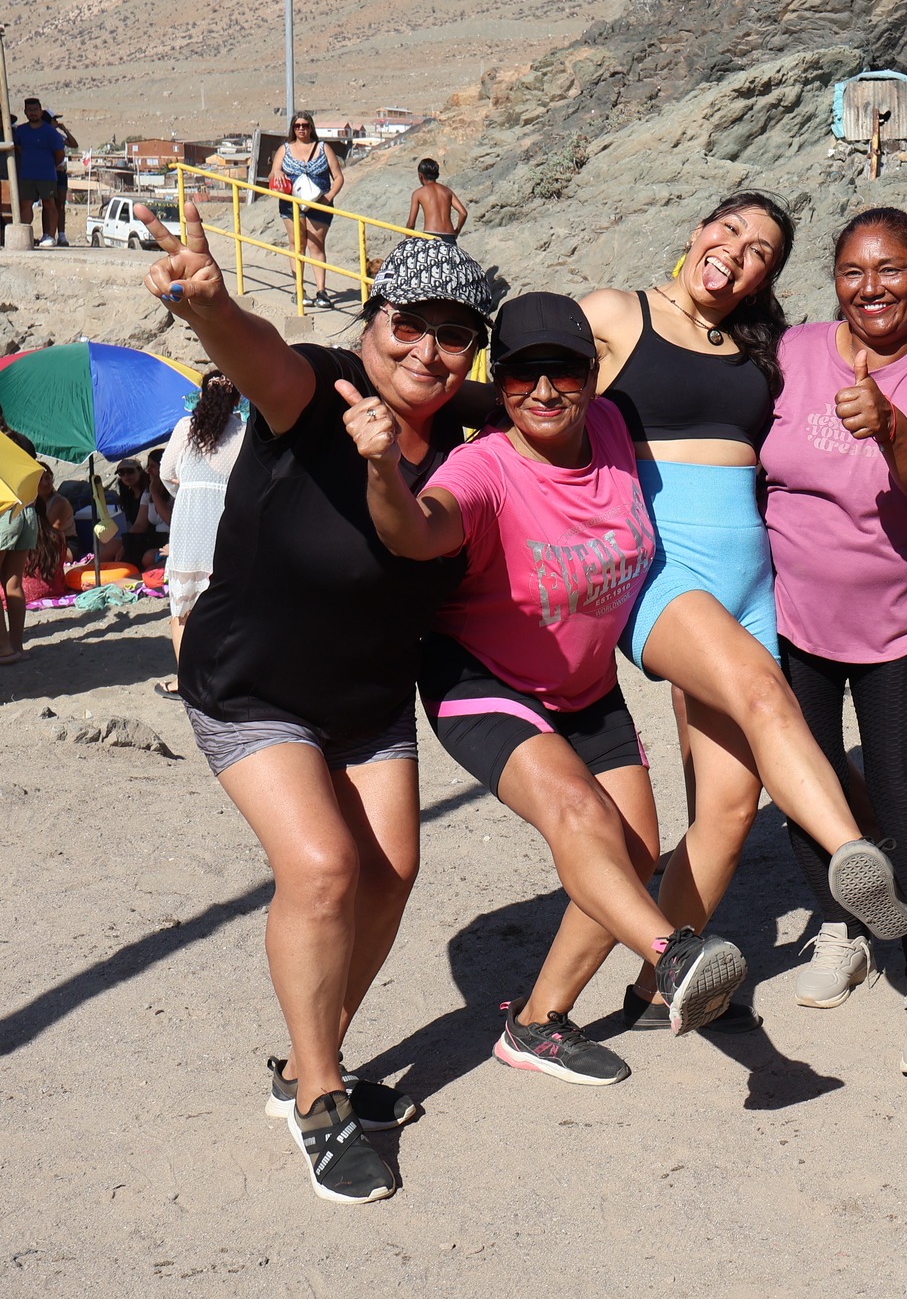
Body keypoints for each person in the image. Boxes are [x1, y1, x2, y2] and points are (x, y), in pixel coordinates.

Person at [141, 212, 708, 1206]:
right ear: (372, 320)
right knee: (323, 869)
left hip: (369, 696)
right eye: (408, 324)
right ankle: (321, 1101)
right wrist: (211, 305)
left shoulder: (460, 421)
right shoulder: (318, 390)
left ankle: (306, 1060)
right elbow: (258, 354)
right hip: (252, 684)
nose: (426, 351)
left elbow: (548, 391)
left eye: (453, 336)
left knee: (392, 873)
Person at [346, 291, 743, 1087]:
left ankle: (535, 1024)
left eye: (563, 371)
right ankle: (671, 954)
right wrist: (381, 468)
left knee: (631, 852)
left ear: (592, 376)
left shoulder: (612, 427)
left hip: (586, 683)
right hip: (483, 677)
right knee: (580, 817)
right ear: (499, 383)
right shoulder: (484, 467)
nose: (544, 391)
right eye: (522, 375)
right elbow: (414, 531)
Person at [582, 190, 907, 1033]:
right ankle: (854, 851)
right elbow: (526, 384)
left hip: (751, 582)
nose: (738, 250)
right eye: (730, 229)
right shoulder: (618, 314)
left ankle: (659, 984)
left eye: (761, 249)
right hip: (663, 571)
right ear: (699, 231)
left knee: (729, 812)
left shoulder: (760, 349)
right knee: (770, 697)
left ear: (766, 277)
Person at [760, 207, 907, 1075]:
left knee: (902, 784)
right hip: (792, 614)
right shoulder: (793, 352)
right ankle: (841, 925)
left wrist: (890, 424)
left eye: (890, 270)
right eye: (852, 270)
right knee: (801, 777)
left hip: (900, 620)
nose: (870, 287)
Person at [157, 370, 248, 696]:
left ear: (201, 397)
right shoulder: (244, 432)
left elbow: (166, 473)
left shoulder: (186, 427)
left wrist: (186, 490)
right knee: (226, 606)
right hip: (226, 524)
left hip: (189, 522)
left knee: (182, 609)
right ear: (237, 399)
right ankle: (224, 679)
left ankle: (185, 681)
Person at [269, 111, 346, 309]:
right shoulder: (285, 149)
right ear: (293, 129)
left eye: (305, 125)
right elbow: (272, 174)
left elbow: (338, 177)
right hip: (291, 203)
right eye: (297, 126)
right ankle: (299, 289)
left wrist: (329, 197)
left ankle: (321, 291)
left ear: (311, 127)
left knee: (316, 245)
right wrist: (277, 172)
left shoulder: (323, 148)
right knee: (297, 244)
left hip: (319, 203)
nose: (301, 129)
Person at [0, 427, 43, 662]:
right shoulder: (20, 441)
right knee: (13, 583)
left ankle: (3, 649)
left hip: (5, 513)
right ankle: (16, 646)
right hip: (27, 511)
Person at [14, 99, 75, 248]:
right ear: (25, 112)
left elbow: (59, 154)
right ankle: (25, 234)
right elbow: (18, 150)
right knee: (25, 204)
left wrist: (49, 165)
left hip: (47, 175)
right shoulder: (20, 131)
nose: (33, 113)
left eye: (35, 110)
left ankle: (50, 236)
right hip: (26, 174)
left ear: (41, 112)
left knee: (49, 204)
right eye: (29, 110)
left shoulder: (50, 131)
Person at [112, 456, 169, 566]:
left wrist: (125, 545)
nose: (126, 475)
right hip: (144, 537)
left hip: (152, 537)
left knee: (115, 548)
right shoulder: (129, 496)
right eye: (121, 473)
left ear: (140, 471)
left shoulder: (151, 491)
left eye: (130, 471)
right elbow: (138, 524)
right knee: (106, 545)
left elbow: (141, 525)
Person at [406, 159, 468, 243]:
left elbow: (411, 224)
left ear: (420, 176)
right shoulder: (447, 191)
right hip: (449, 237)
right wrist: (457, 231)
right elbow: (463, 213)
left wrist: (407, 240)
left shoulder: (418, 193)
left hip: (431, 235)